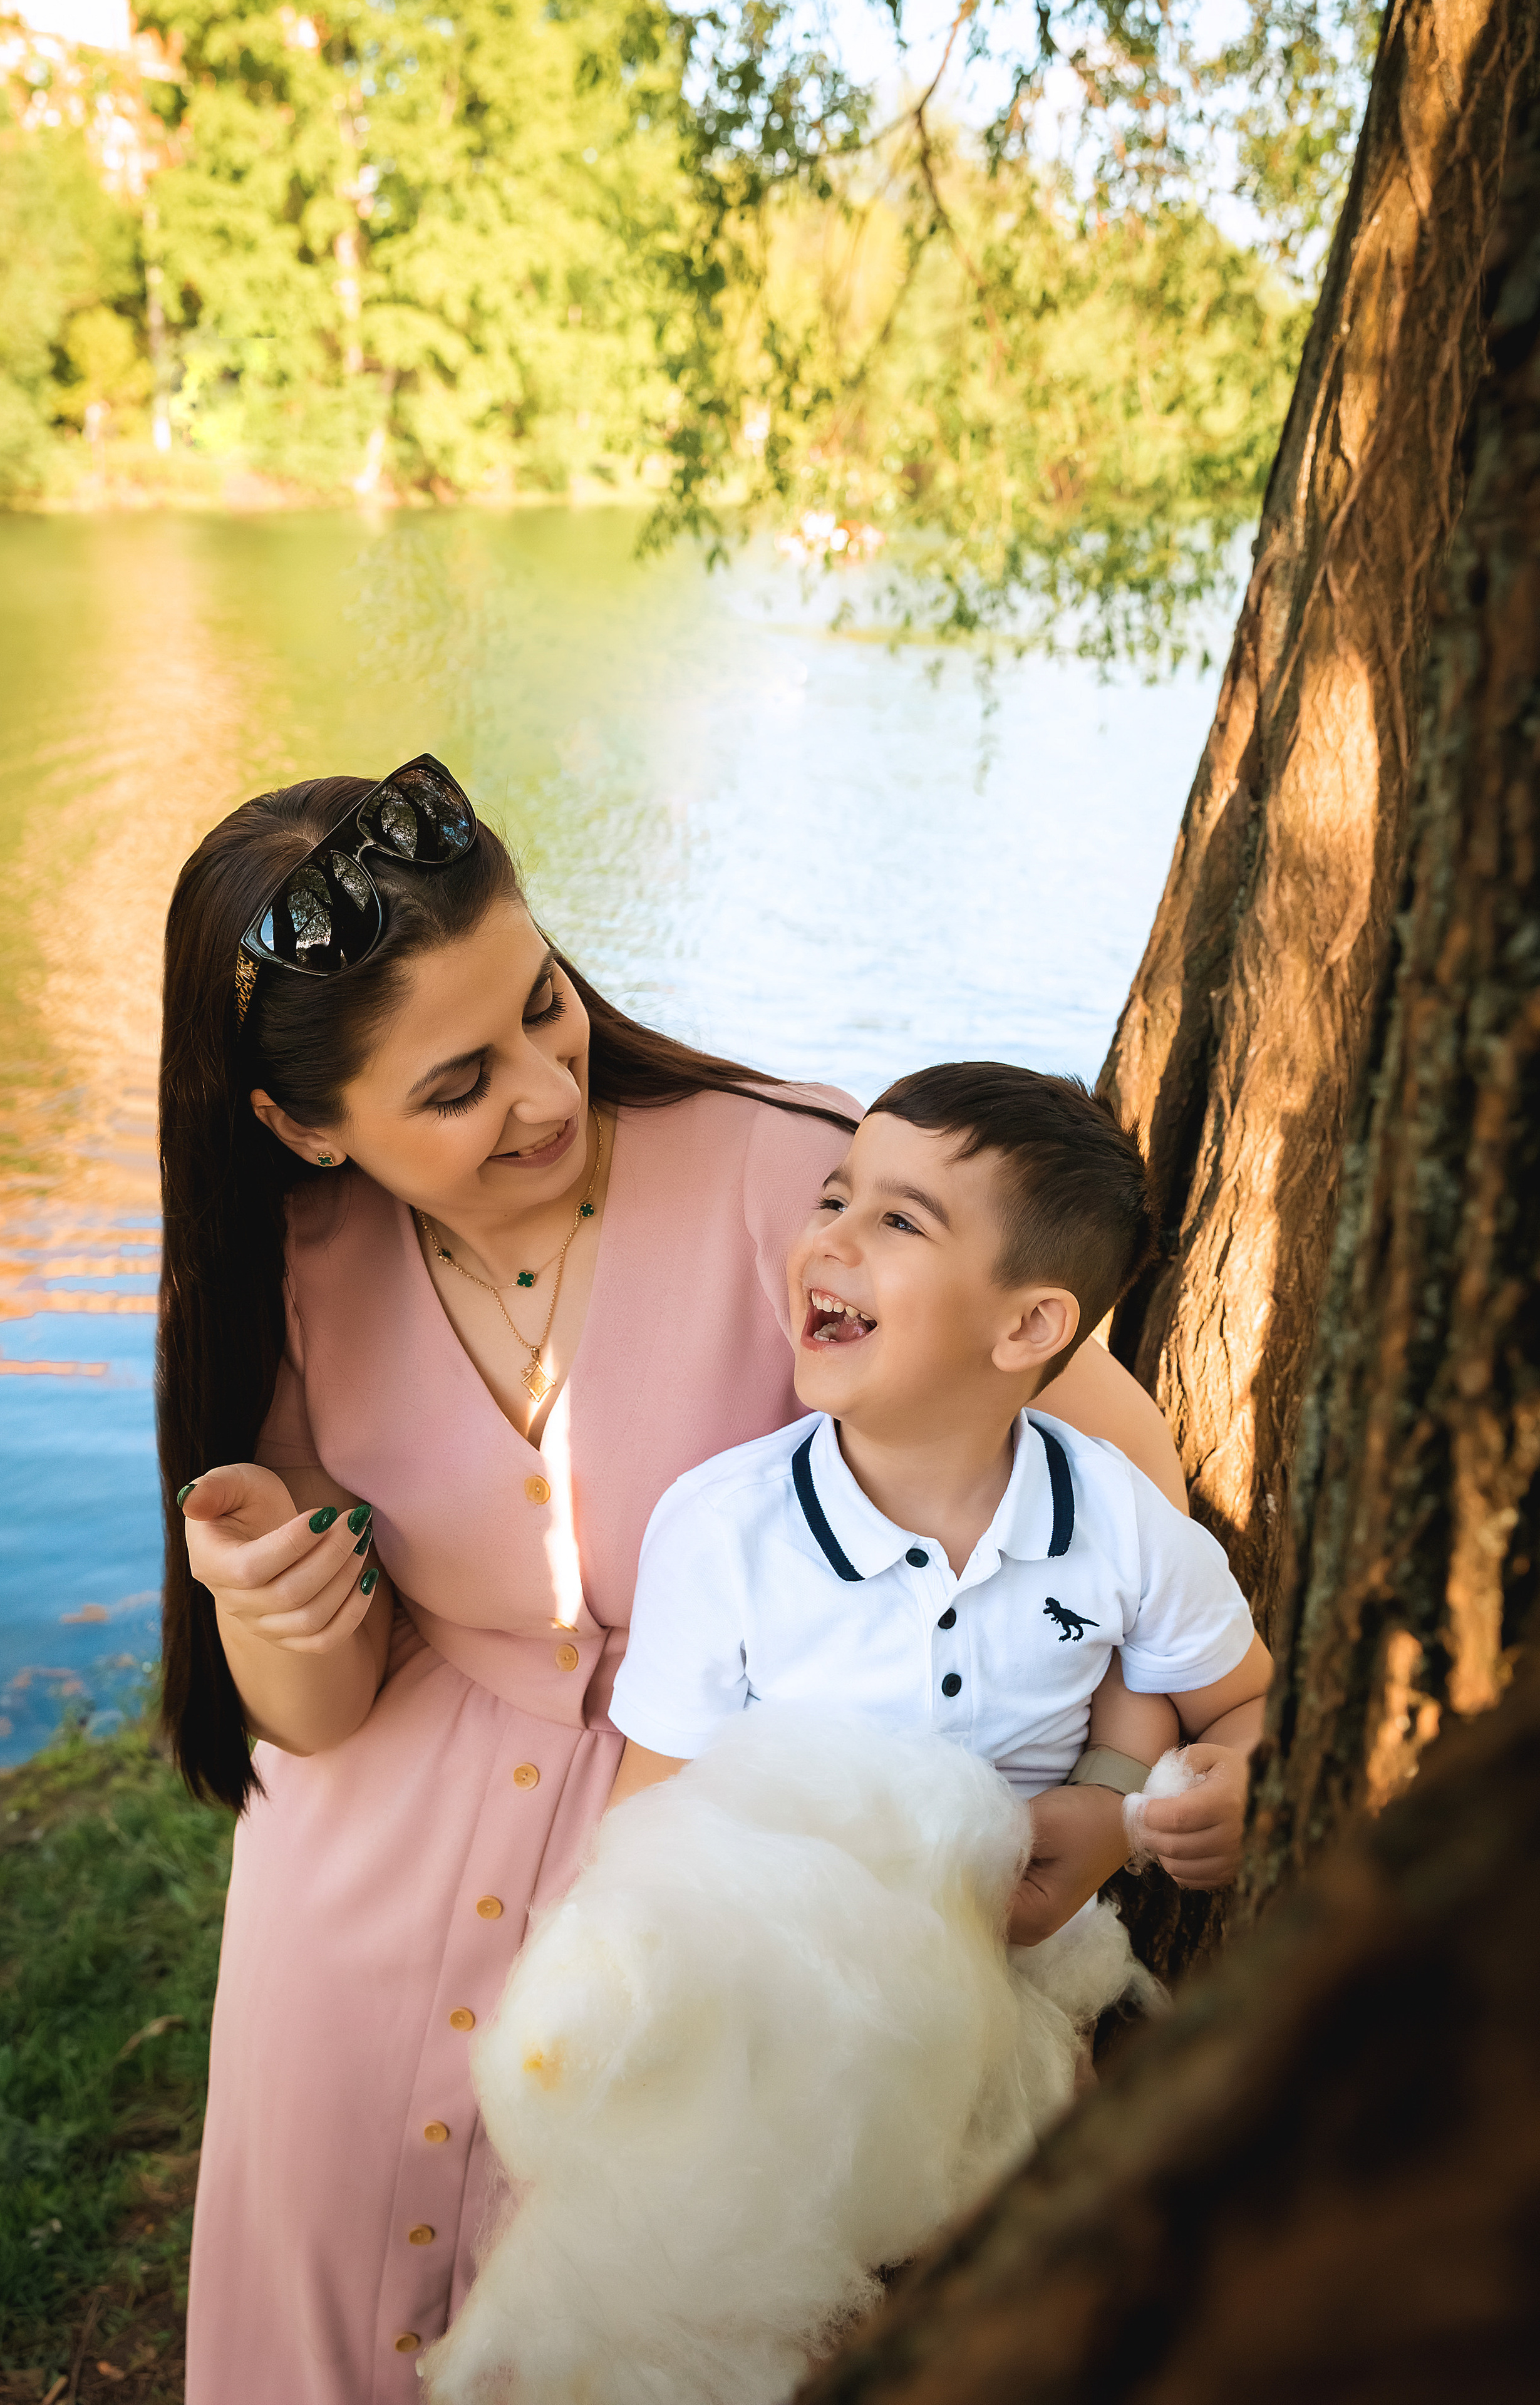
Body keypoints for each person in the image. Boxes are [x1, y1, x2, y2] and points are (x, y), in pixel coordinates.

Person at [158, 755, 1190, 2403]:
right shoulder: (300, 1268)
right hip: (349, 1911)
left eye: (545, 1005)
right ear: (305, 1127)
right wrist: (267, 1612)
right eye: (456, 1086)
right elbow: (318, 1716)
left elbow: (1123, 1479)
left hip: (722, 1872)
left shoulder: (799, 1176)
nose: (547, 1090)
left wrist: (1117, 1773)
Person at [610, 1062, 1274, 1933]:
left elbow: (1243, 1703)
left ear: (1029, 1326)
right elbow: (643, 1834)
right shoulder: (721, 1531)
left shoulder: (1121, 1523)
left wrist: (1239, 1786)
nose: (829, 1241)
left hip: (1021, 1997)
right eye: (833, 1200)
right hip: (776, 1986)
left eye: (897, 1221)